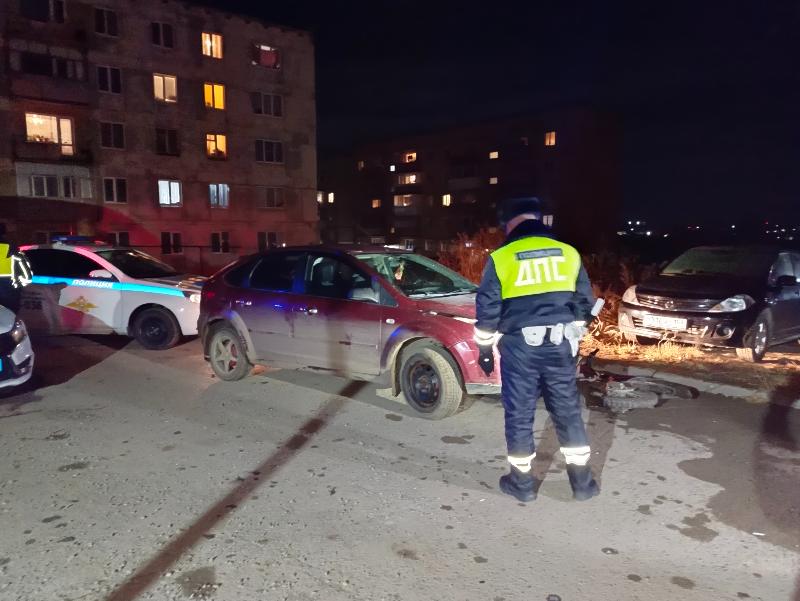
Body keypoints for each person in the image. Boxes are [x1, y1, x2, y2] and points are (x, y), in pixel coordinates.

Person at [475, 197, 599, 502]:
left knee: (519, 414)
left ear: (510, 223)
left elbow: (488, 310)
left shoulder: (502, 257)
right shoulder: (568, 253)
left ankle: (522, 485)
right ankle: (582, 485)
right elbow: (584, 302)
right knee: (568, 412)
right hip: (561, 346)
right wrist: (575, 330)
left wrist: (486, 351)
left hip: (520, 350)